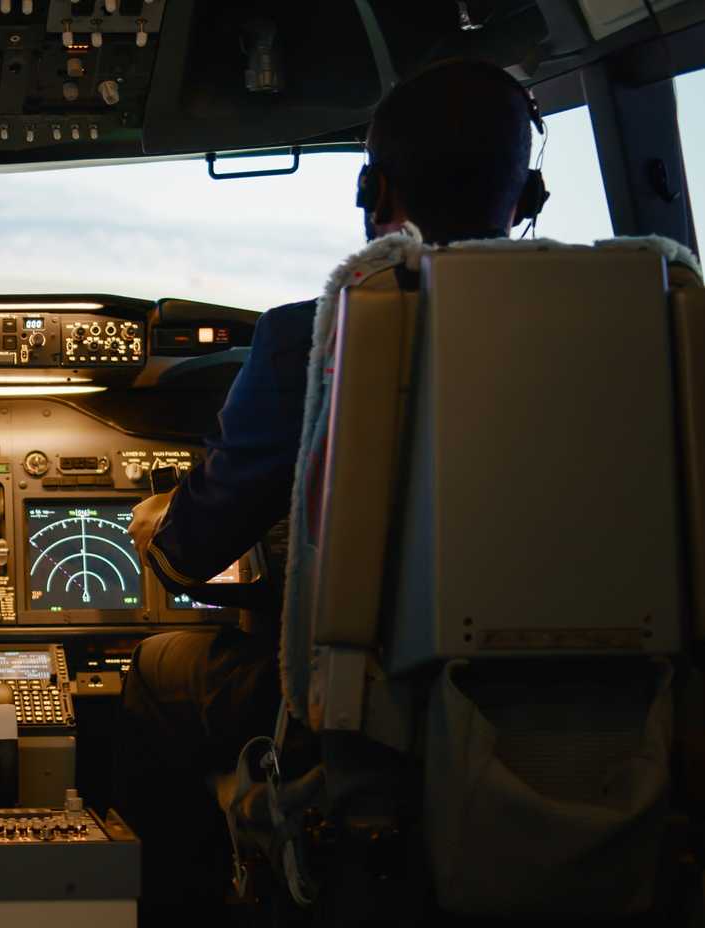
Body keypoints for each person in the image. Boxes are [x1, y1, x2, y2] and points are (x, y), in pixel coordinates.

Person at [115, 59, 547, 918]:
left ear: (372, 193)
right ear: (528, 196)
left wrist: (153, 520)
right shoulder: (650, 333)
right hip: (600, 702)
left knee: (158, 669)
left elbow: (193, 553)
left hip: (369, 716)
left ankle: (197, 895)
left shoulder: (315, 341)